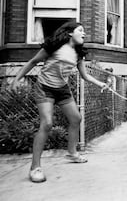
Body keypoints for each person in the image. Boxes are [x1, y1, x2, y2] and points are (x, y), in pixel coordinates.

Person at [10, 22, 109, 183]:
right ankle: (35, 167)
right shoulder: (54, 47)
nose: (84, 34)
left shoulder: (78, 53)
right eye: (81, 31)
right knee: (47, 123)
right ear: (70, 33)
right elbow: (33, 62)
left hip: (62, 89)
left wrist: (100, 83)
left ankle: (72, 152)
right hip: (45, 87)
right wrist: (16, 79)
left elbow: (84, 75)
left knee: (76, 118)